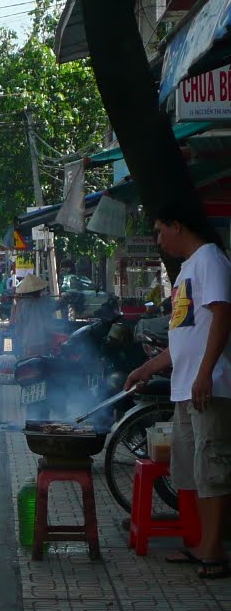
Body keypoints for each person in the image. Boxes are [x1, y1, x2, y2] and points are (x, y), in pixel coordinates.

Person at [124, 205, 231, 579]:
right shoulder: (187, 269)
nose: (157, 239)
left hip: (209, 385)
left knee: (213, 468)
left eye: (158, 230)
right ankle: (200, 542)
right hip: (185, 387)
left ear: (177, 224)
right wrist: (146, 369)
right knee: (190, 470)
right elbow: (182, 339)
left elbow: (223, 315)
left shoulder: (210, 260)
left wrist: (205, 374)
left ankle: (214, 551)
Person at [10, 274, 59, 358]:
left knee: (31, 366)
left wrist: (21, 340)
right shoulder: (46, 301)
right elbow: (58, 305)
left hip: (29, 342)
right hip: (45, 341)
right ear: (39, 290)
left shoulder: (21, 304)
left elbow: (18, 326)